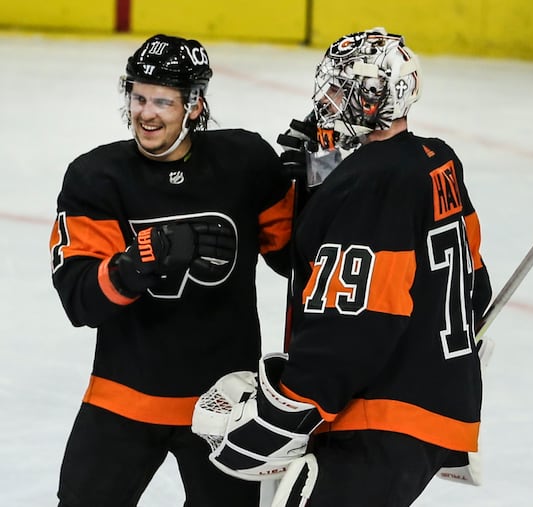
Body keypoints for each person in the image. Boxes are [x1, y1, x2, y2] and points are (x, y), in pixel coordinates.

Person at [192, 28, 492, 506]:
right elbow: (475, 288)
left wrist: (296, 404)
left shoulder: (373, 181)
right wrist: (320, 184)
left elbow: (358, 318)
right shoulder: (436, 160)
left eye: (338, 88)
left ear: (372, 99)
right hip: (437, 402)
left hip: (383, 417)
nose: (325, 101)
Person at [48, 33, 295, 507]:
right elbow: (80, 301)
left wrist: (321, 182)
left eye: (163, 100)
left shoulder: (246, 164)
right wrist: (135, 265)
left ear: (195, 106)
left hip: (225, 405)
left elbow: (296, 260)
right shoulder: (96, 178)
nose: (146, 113)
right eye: (138, 97)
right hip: (124, 396)